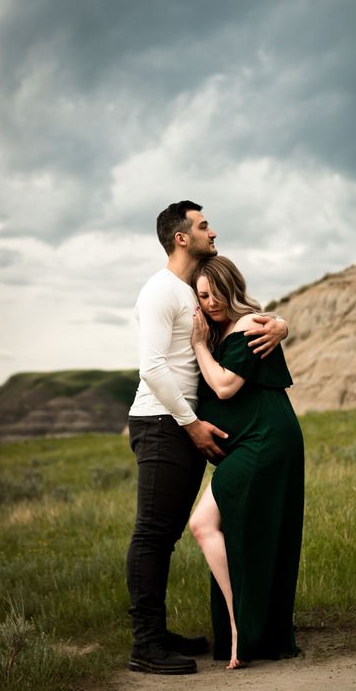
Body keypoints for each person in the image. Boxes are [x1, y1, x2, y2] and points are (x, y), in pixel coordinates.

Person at [126, 201, 288, 675]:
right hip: (162, 423)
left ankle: (158, 633)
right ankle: (146, 644)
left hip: (177, 425)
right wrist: (191, 423)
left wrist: (279, 323)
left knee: (168, 534)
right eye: (203, 226)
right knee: (153, 535)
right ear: (181, 237)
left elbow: (234, 319)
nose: (211, 232)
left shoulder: (190, 292)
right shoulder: (159, 291)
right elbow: (152, 368)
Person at [188, 255, 304, 669]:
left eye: (216, 292)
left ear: (231, 286)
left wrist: (199, 344)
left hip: (266, 440)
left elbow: (223, 386)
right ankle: (248, 629)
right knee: (240, 530)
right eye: (203, 295)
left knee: (204, 525)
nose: (211, 301)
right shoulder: (228, 330)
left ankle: (242, 629)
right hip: (252, 442)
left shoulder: (248, 324)